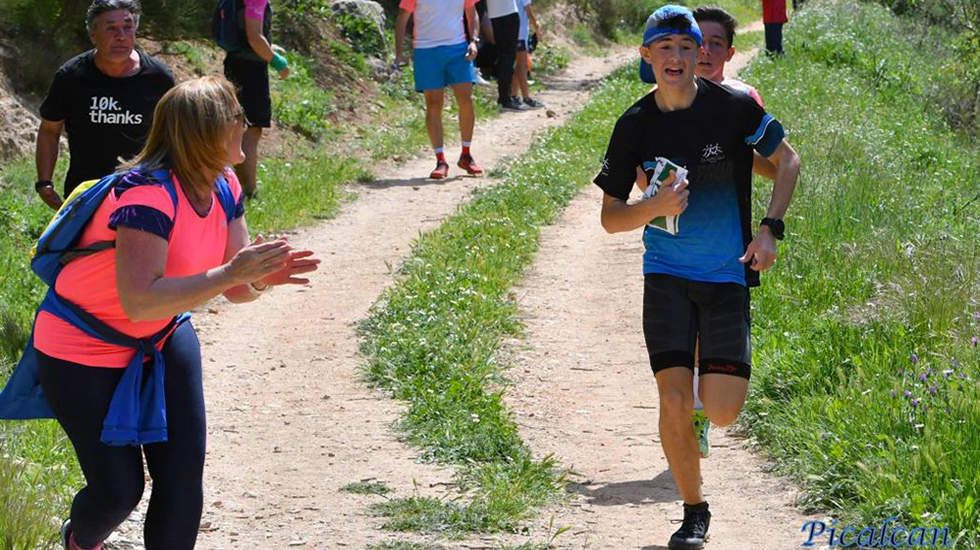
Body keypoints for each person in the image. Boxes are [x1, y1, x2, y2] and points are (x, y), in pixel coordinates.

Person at [30, 76, 319, 550]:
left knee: (183, 484)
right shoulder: (146, 194)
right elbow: (140, 299)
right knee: (119, 491)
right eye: (237, 118)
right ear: (209, 130)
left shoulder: (223, 184)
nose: (245, 126)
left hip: (163, 338)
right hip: (82, 348)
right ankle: (79, 540)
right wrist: (232, 273)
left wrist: (260, 277)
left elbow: (236, 290)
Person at [593, 5, 800, 549]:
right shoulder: (634, 125)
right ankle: (693, 510)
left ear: (700, 54)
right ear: (647, 57)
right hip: (664, 274)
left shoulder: (732, 108)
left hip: (726, 275)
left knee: (725, 410)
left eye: (687, 48)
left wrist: (769, 230)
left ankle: (707, 416)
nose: (679, 58)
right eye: (665, 49)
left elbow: (790, 161)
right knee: (673, 398)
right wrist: (651, 206)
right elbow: (611, 217)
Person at [35, 0, 175, 211]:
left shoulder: (158, 78)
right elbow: (49, 130)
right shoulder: (72, 76)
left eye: (128, 27)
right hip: (87, 194)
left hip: (144, 192)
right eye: (111, 28)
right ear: (93, 34)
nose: (121, 35)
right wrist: (44, 183)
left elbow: (177, 134)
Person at [395, 0, 485, 180]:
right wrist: (399, 53)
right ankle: (440, 160)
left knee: (466, 101)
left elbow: (471, 12)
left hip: (458, 49)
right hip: (426, 50)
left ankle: (466, 155)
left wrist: (474, 40)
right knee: (434, 104)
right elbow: (402, 18)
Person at [223, 0, 290, 198]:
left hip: (235, 62)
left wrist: (269, 48)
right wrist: (278, 63)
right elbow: (254, 37)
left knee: (236, 126)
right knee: (250, 130)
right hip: (250, 69)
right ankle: (248, 192)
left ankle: (232, 187)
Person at [485, 0, 526, 111]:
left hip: (494, 15)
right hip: (508, 14)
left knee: (504, 56)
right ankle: (505, 98)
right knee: (508, 57)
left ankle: (504, 96)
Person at [510, 0, 543, 109]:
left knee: (518, 66)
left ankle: (514, 95)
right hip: (520, 34)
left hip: (514, 33)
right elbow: (529, 11)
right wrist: (537, 28)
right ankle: (526, 98)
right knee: (523, 66)